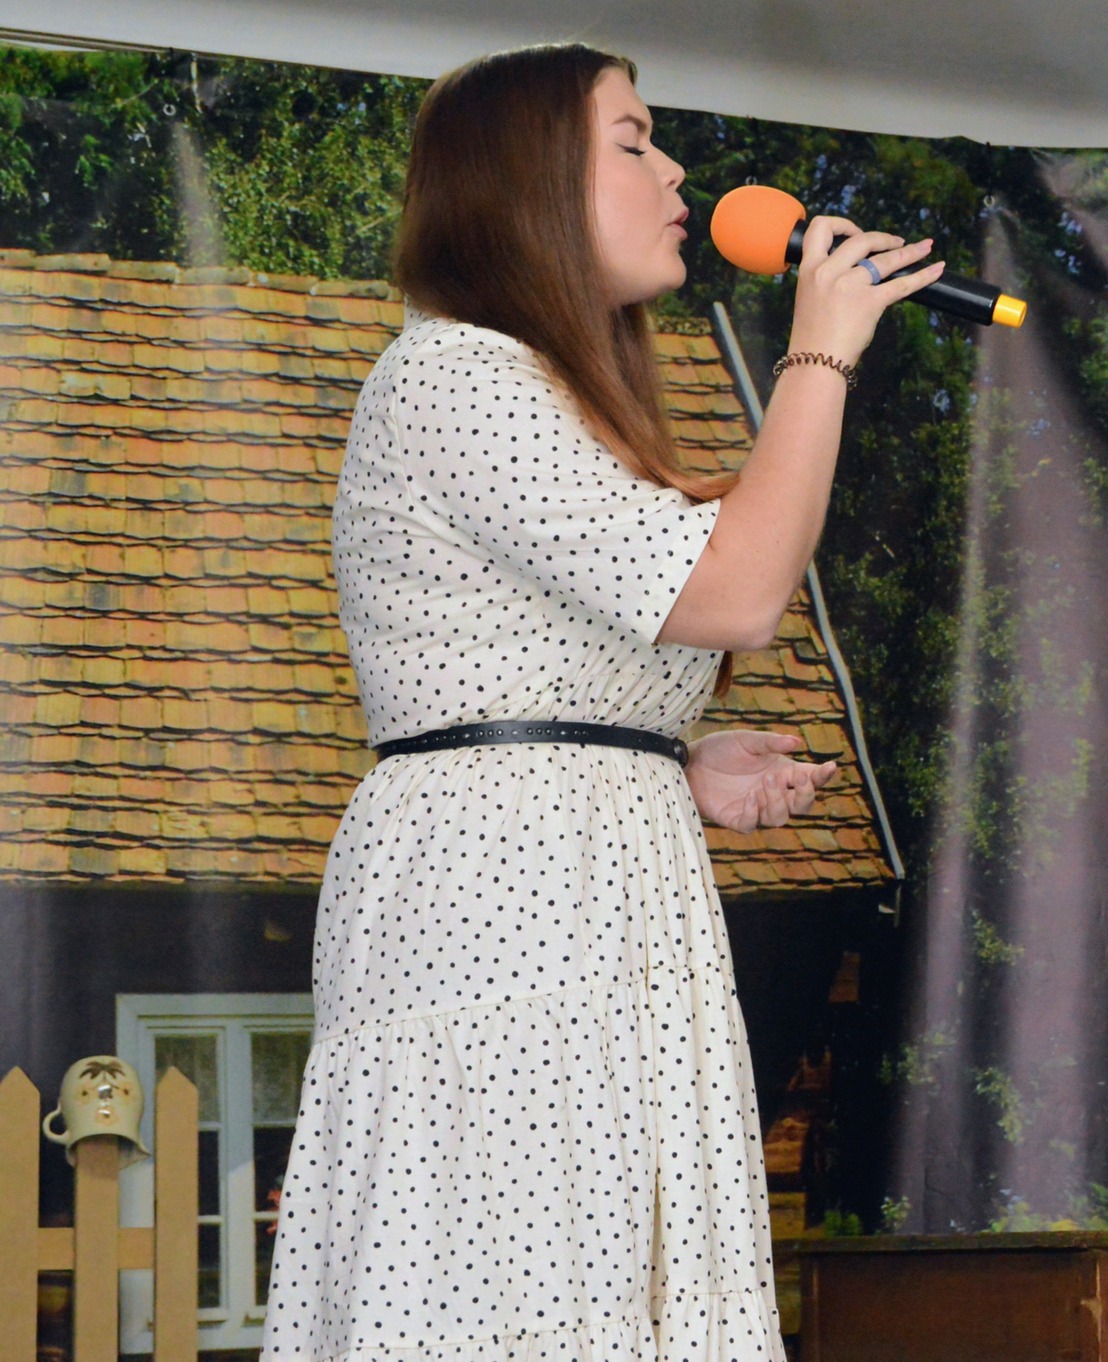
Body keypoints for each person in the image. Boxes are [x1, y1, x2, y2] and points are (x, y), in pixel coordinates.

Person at [261, 43, 943, 1362]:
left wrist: (665, 759)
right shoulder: (456, 374)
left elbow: (523, 666)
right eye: (633, 141)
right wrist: (820, 354)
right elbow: (736, 591)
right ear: (527, 186)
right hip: (497, 901)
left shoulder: (542, 394)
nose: (676, 171)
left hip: (596, 888)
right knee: (505, 1282)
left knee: (591, 1281)